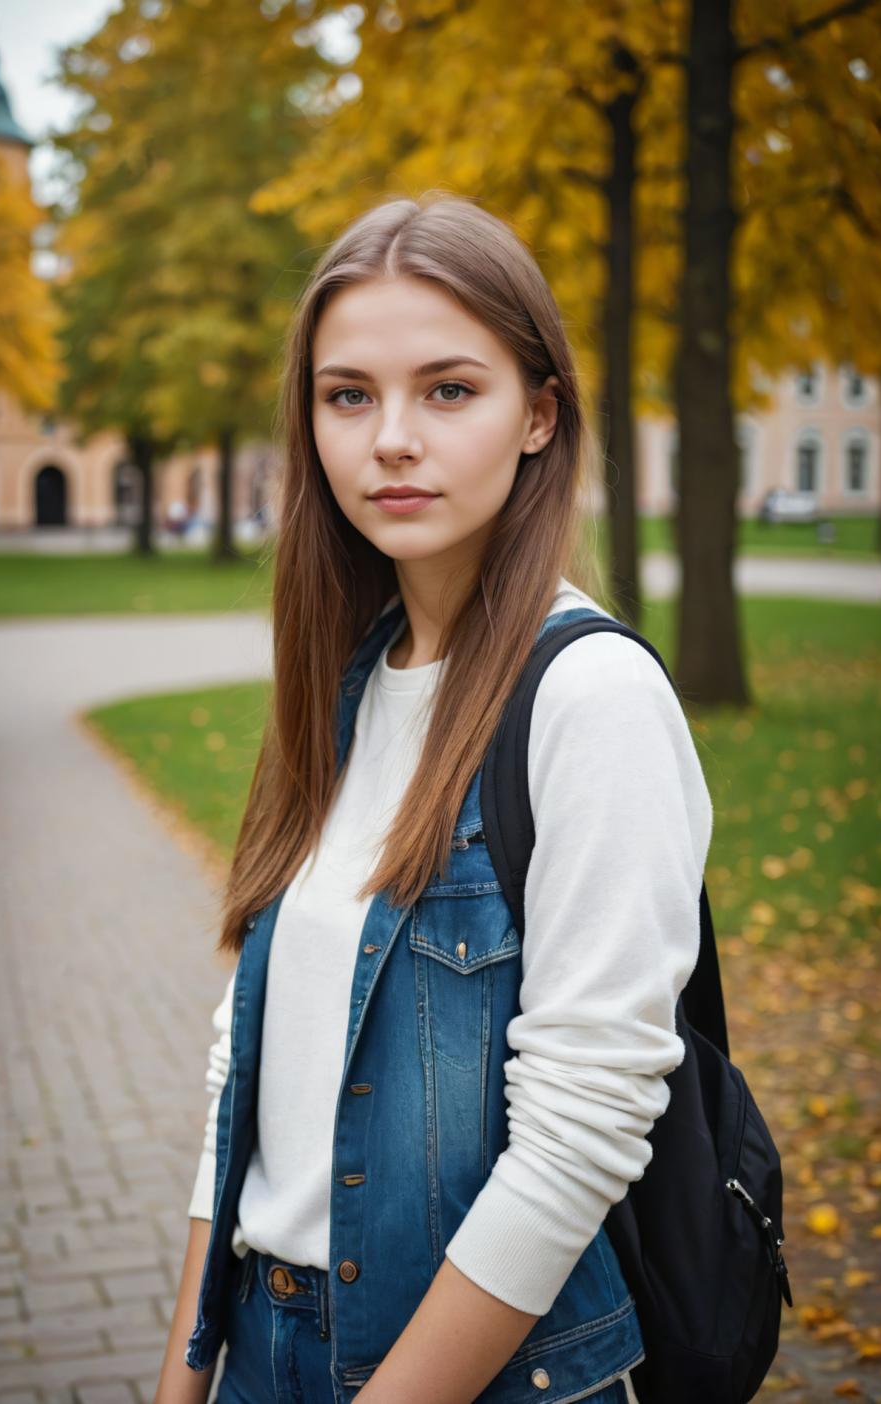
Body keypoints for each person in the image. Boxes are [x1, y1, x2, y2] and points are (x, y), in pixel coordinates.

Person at [155, 193, 712, 1404]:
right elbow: (237, 1061)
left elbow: (581, 1130)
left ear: (537, 415)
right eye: (348, 394)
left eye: (448, 390)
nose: (390, 439)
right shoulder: (345, 685)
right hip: (262, 1340)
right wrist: (186, 1370)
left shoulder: (589, 697)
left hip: (479, 1371)